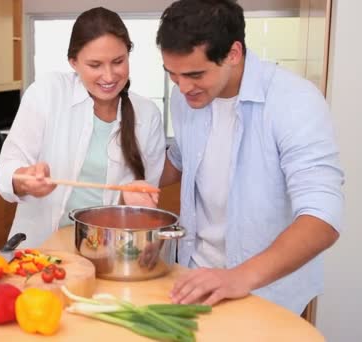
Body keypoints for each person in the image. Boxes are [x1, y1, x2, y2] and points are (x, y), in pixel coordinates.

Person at [126, 0, 344, 314]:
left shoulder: (294, 101)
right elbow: (181, 157)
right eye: (173, 75)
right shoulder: (186, 98)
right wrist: (139, 186)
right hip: (194, 275)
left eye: (195, 74)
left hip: (265, 291)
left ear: (233, 53)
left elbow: (324, 217)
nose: (183, 87)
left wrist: (238, 278)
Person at [0, 7, 166, 248]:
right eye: (95, 65)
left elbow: (145, 196)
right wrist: (23, 180)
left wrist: (135, 200)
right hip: (39, 249)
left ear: (129, 54)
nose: (108, 76)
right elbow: (6, 170)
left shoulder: (147, 115)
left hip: (108, 254)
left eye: (118, 61)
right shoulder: (48, 92)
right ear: (73, 62)